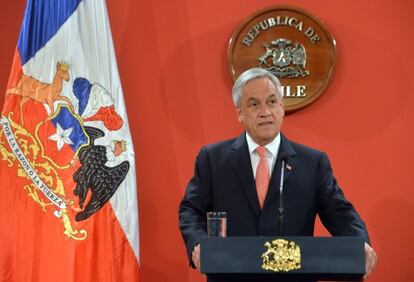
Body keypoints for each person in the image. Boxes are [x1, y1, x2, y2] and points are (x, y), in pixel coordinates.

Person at [178, 68, 377, 282]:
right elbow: (191, 209)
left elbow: (340, 212)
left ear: (282, 107)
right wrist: (198, 244)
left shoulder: (312, 162)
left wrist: (360, 244)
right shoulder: (213, 159)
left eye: (272, 102)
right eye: (254, 104)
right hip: (230, 276)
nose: (265, 112)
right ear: (239, 113)